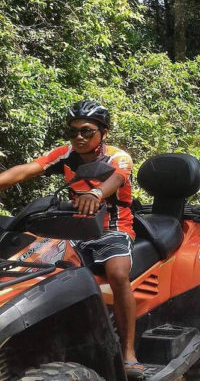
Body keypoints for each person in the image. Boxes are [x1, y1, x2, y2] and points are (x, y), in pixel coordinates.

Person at [0, 100, 143, 379]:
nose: (79, 137)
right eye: (73, 131)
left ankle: (128, 352)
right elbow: (28, 169)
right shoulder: (66, 155)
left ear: (104, 132)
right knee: (33, 270)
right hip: (74, 230)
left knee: (117, 274)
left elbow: (115, 179)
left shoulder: (118, 157)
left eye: (87, 131)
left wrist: (97, 194)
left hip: (111, 229)